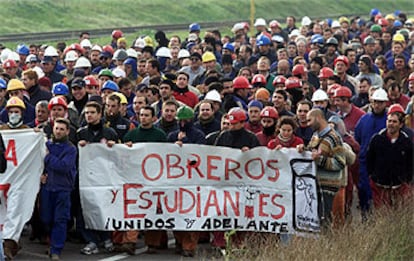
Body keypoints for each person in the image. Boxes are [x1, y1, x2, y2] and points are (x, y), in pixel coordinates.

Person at [122, 106, 167, 254]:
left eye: (147, 115)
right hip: (134, 178)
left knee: (153, 210)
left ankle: (153, 243)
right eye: (141, 115)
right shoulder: (131, 135)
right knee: (133, 210)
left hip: (154, 179)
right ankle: (130, 241)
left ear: (154, 118)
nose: (144, 118)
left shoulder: (160, 135)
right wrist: (125, 147)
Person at [77, 101, 118, 255]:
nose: (89, 115)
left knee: (104, 208)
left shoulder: (110, 133)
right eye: (86, 113)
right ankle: (91, 240)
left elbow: (119, 156)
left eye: (92, 112)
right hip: (86, 179)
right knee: (85, 209)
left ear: (100, 114)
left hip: (105, 179)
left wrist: (115, 147)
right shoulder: (81, 133)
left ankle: (106, 237)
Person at [297, 109, 346, 227]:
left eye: (309, 120)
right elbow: (312, 153)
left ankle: (327, 244)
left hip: (327, 186)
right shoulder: (315, 136)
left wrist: (320, 160)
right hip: (316, 185)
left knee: (324, 220)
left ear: (318, 118)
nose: (307, 124)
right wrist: (304, 149)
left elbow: (340, 162)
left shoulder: (334, 137)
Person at [167, 105, 205, 257]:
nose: (182, 123)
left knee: (191, 214)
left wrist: (187, 143)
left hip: (193, 180)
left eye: (186, 120)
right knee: (177, 213)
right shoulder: (172, 136)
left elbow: (202, 154)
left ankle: (189, 245)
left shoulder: (199, 135)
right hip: (175, 181)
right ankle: (179, 241)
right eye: (180, 120)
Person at [40, 118, 77, 260]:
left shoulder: (71, 149)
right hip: (47, 188)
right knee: (46, 218)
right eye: (57, 128)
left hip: (63, 189)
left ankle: (56, 249)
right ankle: (51, 243)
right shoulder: (46, 145)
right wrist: (41, 175)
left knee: (60, 220)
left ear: (67, 131)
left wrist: (48, 158)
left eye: (62, 129)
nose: (59, 131)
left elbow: (64, 166)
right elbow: (37, 163)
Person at [367, 104, 413, 208]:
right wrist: (372, 177)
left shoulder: (406, 142)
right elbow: (369, 159)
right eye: (389, 121)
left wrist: (406, 181)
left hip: (399, 187)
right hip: (379, 186)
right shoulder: (377, 139)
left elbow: (410, 163)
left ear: (401, 125)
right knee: (381, 215)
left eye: (394, 121)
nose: (391, 124)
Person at [354, 88, 388, 217]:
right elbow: (357, 137)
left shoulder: (388, 120)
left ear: (385, 103)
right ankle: (365, 219)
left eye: (380, 102)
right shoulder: (364, 119)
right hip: (365, 163)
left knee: (381, 195)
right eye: (375, 102)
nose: (377, 105)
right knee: (364, 192)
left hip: (382, 163)